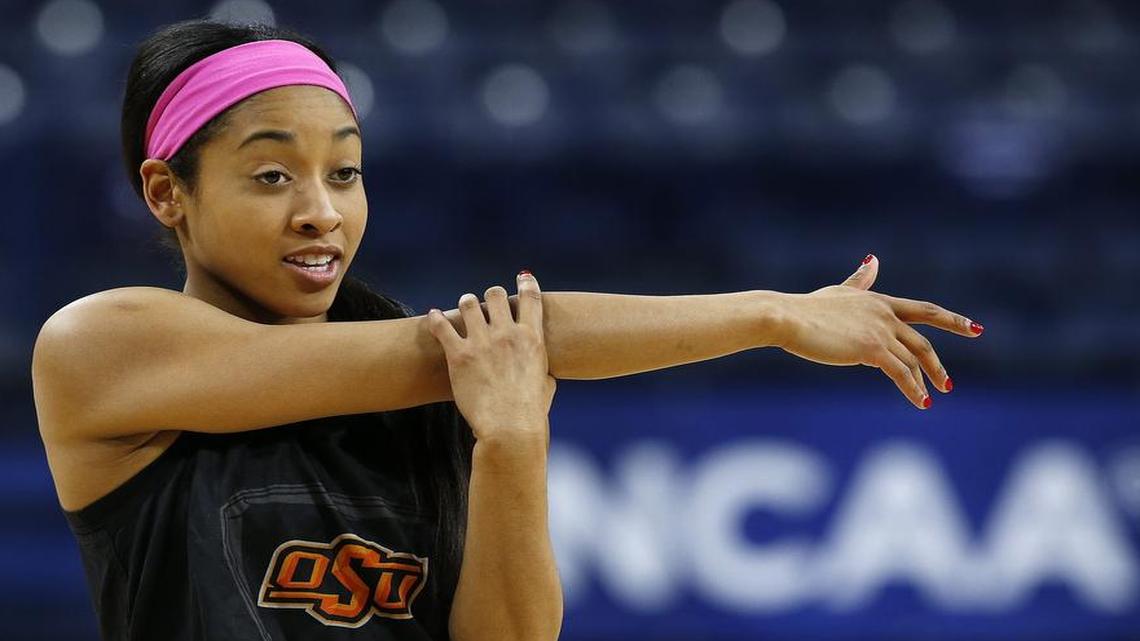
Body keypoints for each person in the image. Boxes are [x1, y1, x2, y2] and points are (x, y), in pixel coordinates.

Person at [29, 18, 983, 641]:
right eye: (272, 175)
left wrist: (515, 443)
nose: (322, 211)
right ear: (167, 193)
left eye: (346, 172)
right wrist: (774, 313)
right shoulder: (102, 346)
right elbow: (505, 335)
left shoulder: (444, 393)